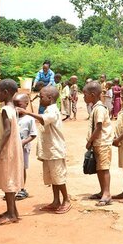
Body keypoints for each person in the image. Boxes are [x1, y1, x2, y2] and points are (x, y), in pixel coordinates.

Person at [17, 86, 71, 214]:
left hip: (55, 150)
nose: (39, 99)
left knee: (58, 177)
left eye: (41, 97)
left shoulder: (53, 110)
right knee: (53, 177)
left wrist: (27, 112)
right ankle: (56, 200)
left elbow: (43, 119)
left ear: (50, 98)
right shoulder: (48, 109)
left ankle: (66, 200)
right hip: (49, 150)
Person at [0, 79, 24, 225]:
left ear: (6, 92)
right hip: (12, 150)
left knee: (8, 181)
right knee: (8, 180)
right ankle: (12, 210)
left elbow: (7, 131)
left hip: (7, 151)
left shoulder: (5, 110)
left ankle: (11, 214)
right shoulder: (12, 108)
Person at [83, 82, 114, 206]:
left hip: (102, 143)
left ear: (92, 94)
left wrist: (90, 140)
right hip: (98, 142)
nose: (84, 97)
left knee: (104, 168)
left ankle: (107, 194)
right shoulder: (95, 107)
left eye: (85, 95)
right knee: (99, 168)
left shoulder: (100, 108)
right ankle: (102, 191)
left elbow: (99, 126)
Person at [13, 93, 37, 200]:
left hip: (23, 149)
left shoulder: (29, 119)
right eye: (14, 105)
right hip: (12, 148)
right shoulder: (12, 117)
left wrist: (23, 142)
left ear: (26, 104)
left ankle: (22, 189)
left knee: (22, 168)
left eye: (18, 104)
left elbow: (33, 134)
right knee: (12, 168)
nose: (16, 107)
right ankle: (12, 189)